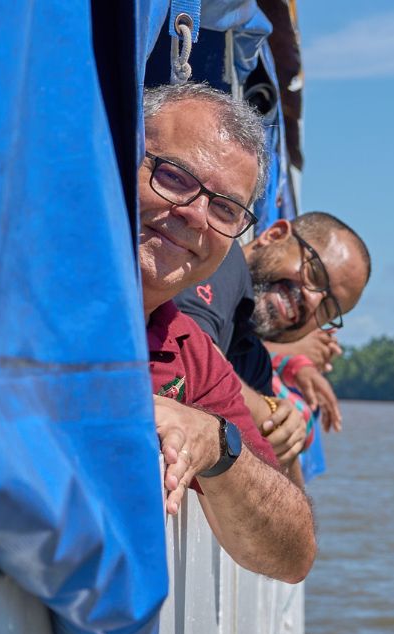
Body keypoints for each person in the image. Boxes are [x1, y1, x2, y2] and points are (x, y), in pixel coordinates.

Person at [139, 82, 315, 585]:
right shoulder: (16, 283)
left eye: (225, 210)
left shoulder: (191, 352)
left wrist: (215, 442)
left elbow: (291, 556)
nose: (194, 215)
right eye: (174, 177)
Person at [175, 212, 371, 480]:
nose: (311, 301)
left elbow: (287, 498)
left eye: (327, 308)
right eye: (314, 273)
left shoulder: (253, 361)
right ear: (274, 235)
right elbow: (187, 356)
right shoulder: (224, 259)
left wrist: (288, 435)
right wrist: (271, 411)